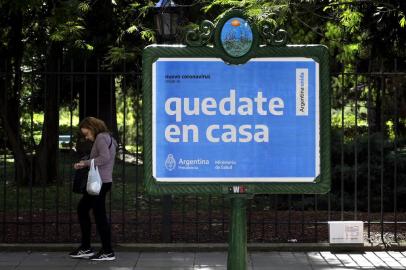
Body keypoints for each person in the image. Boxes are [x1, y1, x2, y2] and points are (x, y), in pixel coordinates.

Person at [69, 117, 117, 261]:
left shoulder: (101, 138)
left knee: (99, 215)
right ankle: (86, 247)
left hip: (100, 182)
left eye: (87, 133)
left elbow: (104, 158)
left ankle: (107, 251)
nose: (87, 137)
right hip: (103, 181)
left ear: (93, 128)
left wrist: (85, 163)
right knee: (83, 209)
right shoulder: (109, 138)